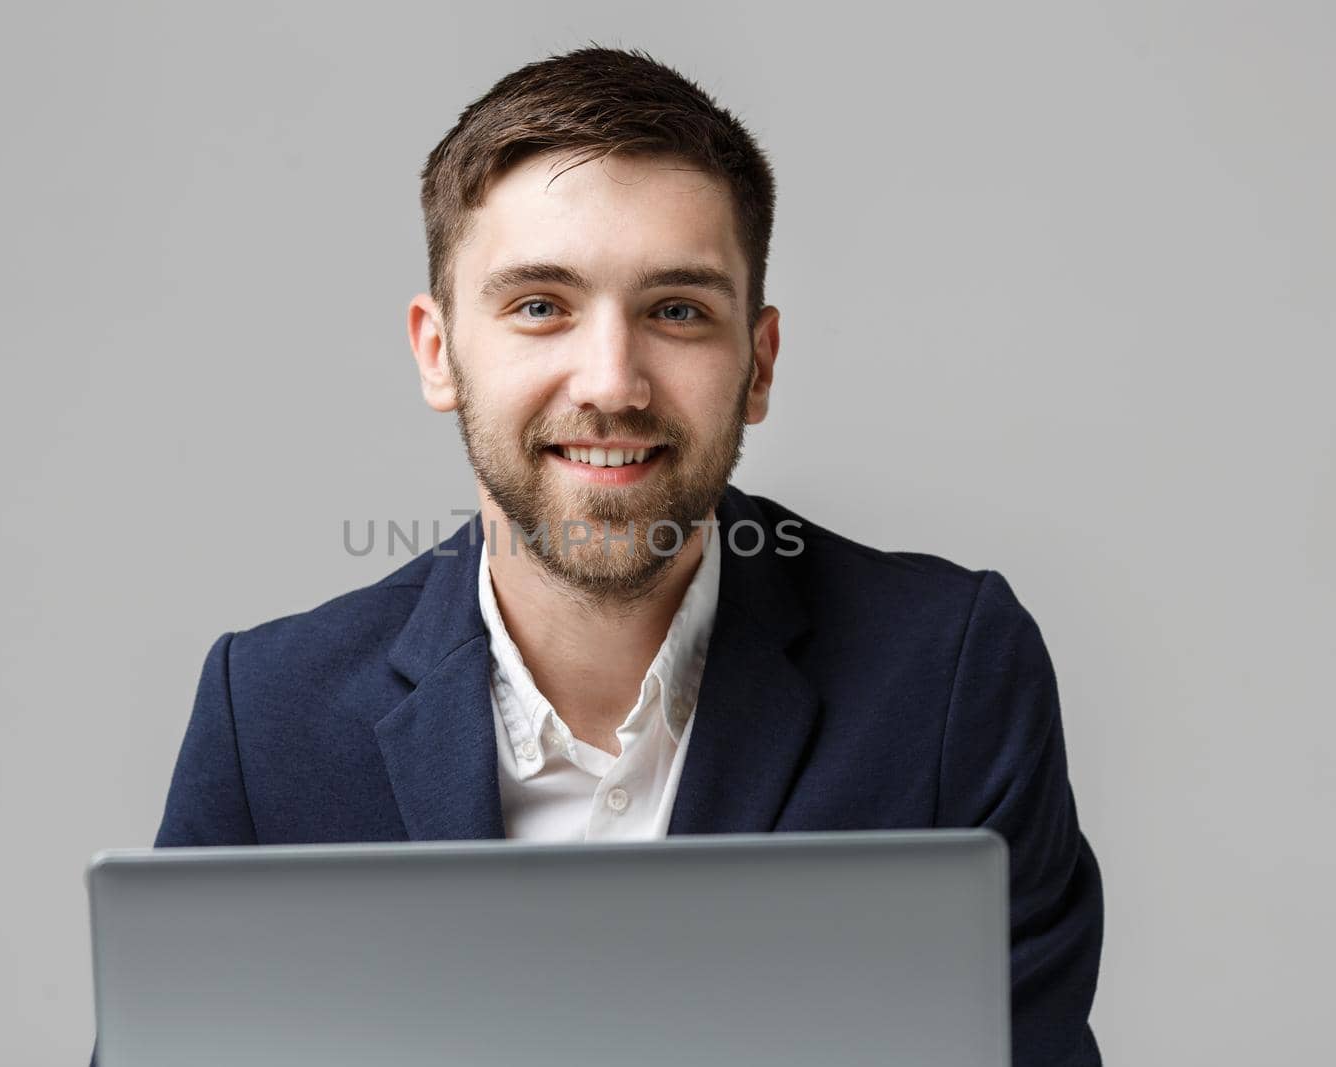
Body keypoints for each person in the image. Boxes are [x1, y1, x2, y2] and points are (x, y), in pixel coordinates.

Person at [128, 45, 1105, 1067]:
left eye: (676, 310)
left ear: (758, 364)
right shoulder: (270, 714)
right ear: (438, 351)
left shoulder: (948, 676)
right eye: (539, 305)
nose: (611, 382)